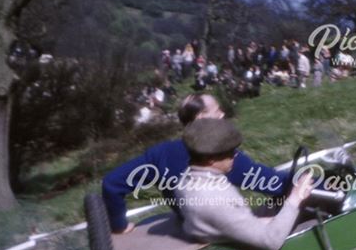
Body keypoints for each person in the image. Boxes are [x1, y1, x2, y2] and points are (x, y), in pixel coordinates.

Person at [101, 94, 288, 234]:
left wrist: (119, 225)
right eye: (218, 110)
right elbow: (275, 184)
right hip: (220, 231)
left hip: (187, 227)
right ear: (201, 118)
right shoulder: (222, 157)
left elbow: (112, 184)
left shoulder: (160, 154)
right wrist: (309, 181)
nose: (223, 114)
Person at [176, 119, 313, 250]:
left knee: (279, 205)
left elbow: (232, 222)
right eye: (230, 153)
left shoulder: (185, 180)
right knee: (319, 223)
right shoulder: (215, 199)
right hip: (253, 246)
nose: (235, 156)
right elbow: (271, 241)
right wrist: (296, 197)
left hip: (224, 231)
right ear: (210, 159)